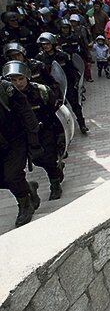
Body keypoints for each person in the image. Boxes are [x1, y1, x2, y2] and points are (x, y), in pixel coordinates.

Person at [3, 61, 64, 200]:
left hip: (46, 130)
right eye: (13, 80)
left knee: (47, 158)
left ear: (27, 77)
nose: (18, 83)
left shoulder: (41, 91)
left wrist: (61, 135)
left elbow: (57, 112)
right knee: (38, 160)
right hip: (26, 135)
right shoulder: (8, 98)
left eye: (21, 79)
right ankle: (55, 170)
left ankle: (55, 184)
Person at [0, 76, 41, 227]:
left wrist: (34, 142)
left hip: (15, 140)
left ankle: (25, 205)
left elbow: (27, 113)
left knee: (12, 175)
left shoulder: (5, 89)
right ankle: (28, 187)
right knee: (3, 178)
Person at [35, 32, 89, 134]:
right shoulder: (40, 59)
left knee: (75, 105)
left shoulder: (62, 55)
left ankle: (82, 124)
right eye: (43, 44)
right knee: (56, 109)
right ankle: (62, 131)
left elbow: (72, 70)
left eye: (47, 43)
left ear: (53, 43)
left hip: (67, 85)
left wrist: (77, 82)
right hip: (52, 88)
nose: (45, 46)